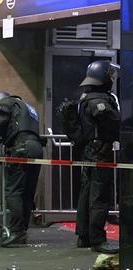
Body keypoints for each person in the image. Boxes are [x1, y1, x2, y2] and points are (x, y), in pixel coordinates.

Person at [0, 91, 43, 248]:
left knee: (14, 191)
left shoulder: (6, 103)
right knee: (27, 192)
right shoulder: (28, 107)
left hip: (20, 148)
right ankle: (22, 231)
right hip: (36, 147)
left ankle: (17, 232)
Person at [74, 60, 120, 254]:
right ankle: (97, 240)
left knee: (86, 194)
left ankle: (84, 236)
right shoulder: (99, 100)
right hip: (99, 153)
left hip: (89, 152)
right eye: (110, 75)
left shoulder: (85, 98)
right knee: (99, 197)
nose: (112, 79)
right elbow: (115, 123)